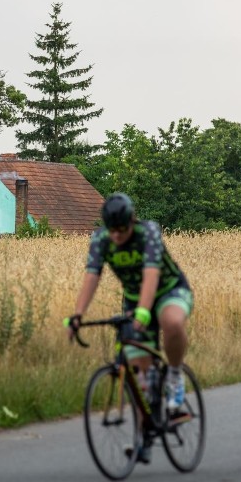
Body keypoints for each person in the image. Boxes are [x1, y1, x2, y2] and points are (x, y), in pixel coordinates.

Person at [65, 192, 193, 464]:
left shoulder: (148, 232)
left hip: (170, 289)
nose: (117, 237)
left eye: (122, 230)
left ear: (132, 221)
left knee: (170, 321)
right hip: (135, 299)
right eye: (112, 231)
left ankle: (174, 375)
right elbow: (92, 276)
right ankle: (144, 435)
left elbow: (151, 275)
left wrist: (145, 312)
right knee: (140, 374)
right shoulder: (101, 239)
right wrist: (77, 314)